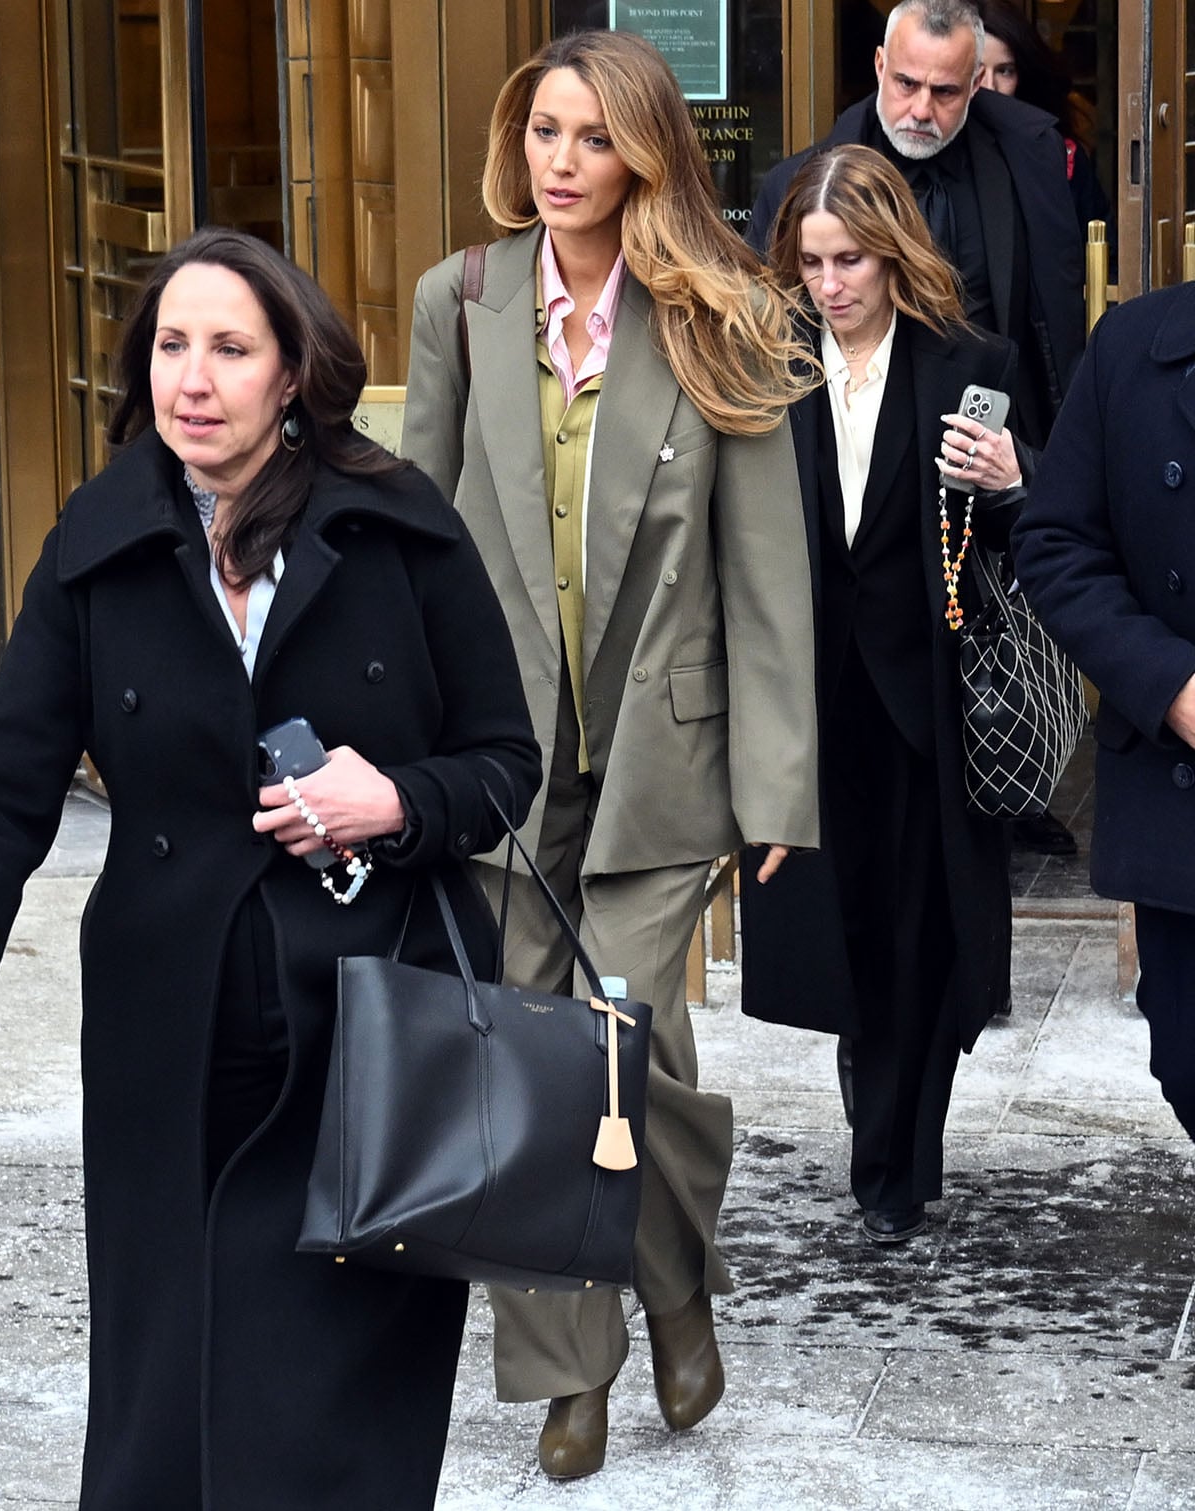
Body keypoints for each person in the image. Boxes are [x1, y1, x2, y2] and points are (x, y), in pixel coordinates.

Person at [0, 227, 541, 1509]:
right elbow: (11, 781)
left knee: (335, 1382)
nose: (194, 378)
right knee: (166, 1367)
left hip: (369, 1020)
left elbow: (505, 762)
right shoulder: (102, 533)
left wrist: (389, 798)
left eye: (230, 349)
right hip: (166, 1020)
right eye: (172, 347)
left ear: (291, 372)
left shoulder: (400, 526)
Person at [400, 27, 819, 1483]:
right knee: (527, 1061)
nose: (559, 163)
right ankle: (570, 1369)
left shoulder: (725, 314)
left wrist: (776, 783)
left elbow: (767, 576)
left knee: (634, 1041)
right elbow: (428, 537)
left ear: (645, 152)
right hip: (505, 759)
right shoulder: (458, 302)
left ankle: (676, 1279)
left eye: (589, 136)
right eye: (542, 134)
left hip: (661, 751)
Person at [739, 144, 1022, 1244]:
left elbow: (1022, 529)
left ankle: (895, 1160)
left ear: (894, 251)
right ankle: (880, 1110)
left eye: (850, 257)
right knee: (844, 923)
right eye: (811, 261)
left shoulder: (966, 360)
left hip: (927, 698)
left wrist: (1011, 478)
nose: (830, 282)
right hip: (810, 689)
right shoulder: (769, 362)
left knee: (919, 929)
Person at [1011, 283, 1195, 1145]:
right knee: (1189, 1055)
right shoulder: (1133, 346)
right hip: (1181, 784)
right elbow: (1057, 541)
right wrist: (1169, 686)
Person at [747, 0, 1084, 454]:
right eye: (906, 83)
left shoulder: (1026, 161)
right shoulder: (801, 184)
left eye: (944, 91)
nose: (922, 109)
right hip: (857, 441)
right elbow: (764, 326)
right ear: (880, 64)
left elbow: (1057, 327)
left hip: (988, 440)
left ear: (975, 84)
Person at [976, 0, 1114, 251]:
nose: (989, 87)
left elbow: (1107, 255)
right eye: (976, 70)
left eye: (1004, 71)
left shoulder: (1059, 156)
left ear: (1022, 76)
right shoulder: (933, 154)